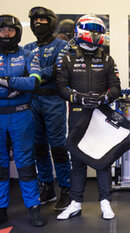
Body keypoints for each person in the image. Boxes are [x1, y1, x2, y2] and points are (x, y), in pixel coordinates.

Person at [56, 14, 121, 220]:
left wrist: (104, 98)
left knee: (103, 160)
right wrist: (78, 98)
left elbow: (117, 87)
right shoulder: (67, 58)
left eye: (97, 29)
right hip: (77, 115)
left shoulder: (108, 59)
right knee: (77, 162)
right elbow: (60, 87)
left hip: (101, 117)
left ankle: (105, 202)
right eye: (90, 29)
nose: (94, 33)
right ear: (80, 31)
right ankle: (75, 203)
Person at [0, 14, 46, 227]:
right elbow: (24, 84)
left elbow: (34, 82)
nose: (6, 34)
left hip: (22, 115)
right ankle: (1, 209)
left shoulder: (29, 55)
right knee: (0, 166)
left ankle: (34, 208)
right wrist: (17, 86)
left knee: (26, 164)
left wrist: (7, 82)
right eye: (2, 30)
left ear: (17, 32)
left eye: (10, 30)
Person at [24, 6, 71, 211]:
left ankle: (66, 190)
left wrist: (34, 75)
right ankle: (47, 187)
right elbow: (25, 73)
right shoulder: (26, 48)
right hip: (32, 102)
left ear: (51, 23)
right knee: (39, 148)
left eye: (43, 20)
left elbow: (57, 70)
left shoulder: (63, 45)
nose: (39, 23)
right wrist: (34, 75)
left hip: (54, 101)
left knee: (58, 147)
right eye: (36, 20)